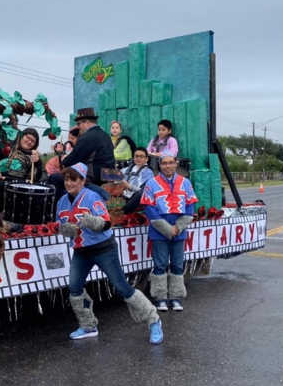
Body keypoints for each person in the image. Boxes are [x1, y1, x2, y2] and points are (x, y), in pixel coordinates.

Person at [57, 163, 163, 344]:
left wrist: (90, 221)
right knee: (74, 288)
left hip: (103, 248)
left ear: (82, 181)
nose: (69, 183)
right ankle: (88, 325)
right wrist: (66, 228)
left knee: (122, 288)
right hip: (81, 252)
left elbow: (106, 224)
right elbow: (60, 226)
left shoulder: (92, 197)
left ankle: (153, 320)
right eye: (67, 179)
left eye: (73, 179)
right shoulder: (62, 201)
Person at [140, 150, 199, 311]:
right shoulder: (151, 184)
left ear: (176, 163)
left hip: (179, 230)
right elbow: (149, 208)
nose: (168, 166)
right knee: (159, 265)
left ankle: (175, 297)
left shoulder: (185, 183)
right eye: (164, 163)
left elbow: (189, 207)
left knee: (177, 265)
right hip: (159, 230)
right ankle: (160, 298)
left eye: (170, 162)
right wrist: (166, 228)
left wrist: (178, 227)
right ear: (159, 165)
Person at [59, 108, 116, 184]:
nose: (78, 127)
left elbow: (72, 160)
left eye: (79, 124)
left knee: (55, 178)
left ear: (87, 122)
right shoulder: (105, 135)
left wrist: (64, 159)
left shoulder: (87, 137)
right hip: (109, 176)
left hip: (95, 179)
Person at [120, 147, 155, 214]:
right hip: (122, 195)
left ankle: (124, 212)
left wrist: (129, 186)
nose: (138, 158)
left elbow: (144, 190)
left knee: (141, 194)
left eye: (141, 156)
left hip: (135, 198)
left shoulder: (148, 172)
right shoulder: (125, 169)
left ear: (147, 159)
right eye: (136, 156)